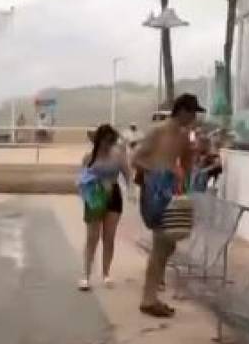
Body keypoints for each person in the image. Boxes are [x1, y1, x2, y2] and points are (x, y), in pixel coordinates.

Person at [133, 93, 204, 317]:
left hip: (171, 192)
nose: (194, 118)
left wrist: (189, 161)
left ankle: (151, 294)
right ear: (182, 111)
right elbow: (136, 158)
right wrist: (156, 173)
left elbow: (186, 165)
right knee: (161, 244)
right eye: (192, 113)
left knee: (168, 245)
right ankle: (149, 298)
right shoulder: (159, 131)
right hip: (155, 192)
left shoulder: (184, 136)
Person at [78, 124, 129, 291]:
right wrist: (95, 187)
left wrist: (132, 191)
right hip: (95, 195)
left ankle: (106, 273)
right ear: (99, 141)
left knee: (109, 237)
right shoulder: (89, 157)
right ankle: (85, 275)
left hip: (114, 195)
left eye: (111, 141)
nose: (108, 145)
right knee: (92, 237)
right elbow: (81, 181)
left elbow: (128, 174)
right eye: (106, 141)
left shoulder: (118, 155)